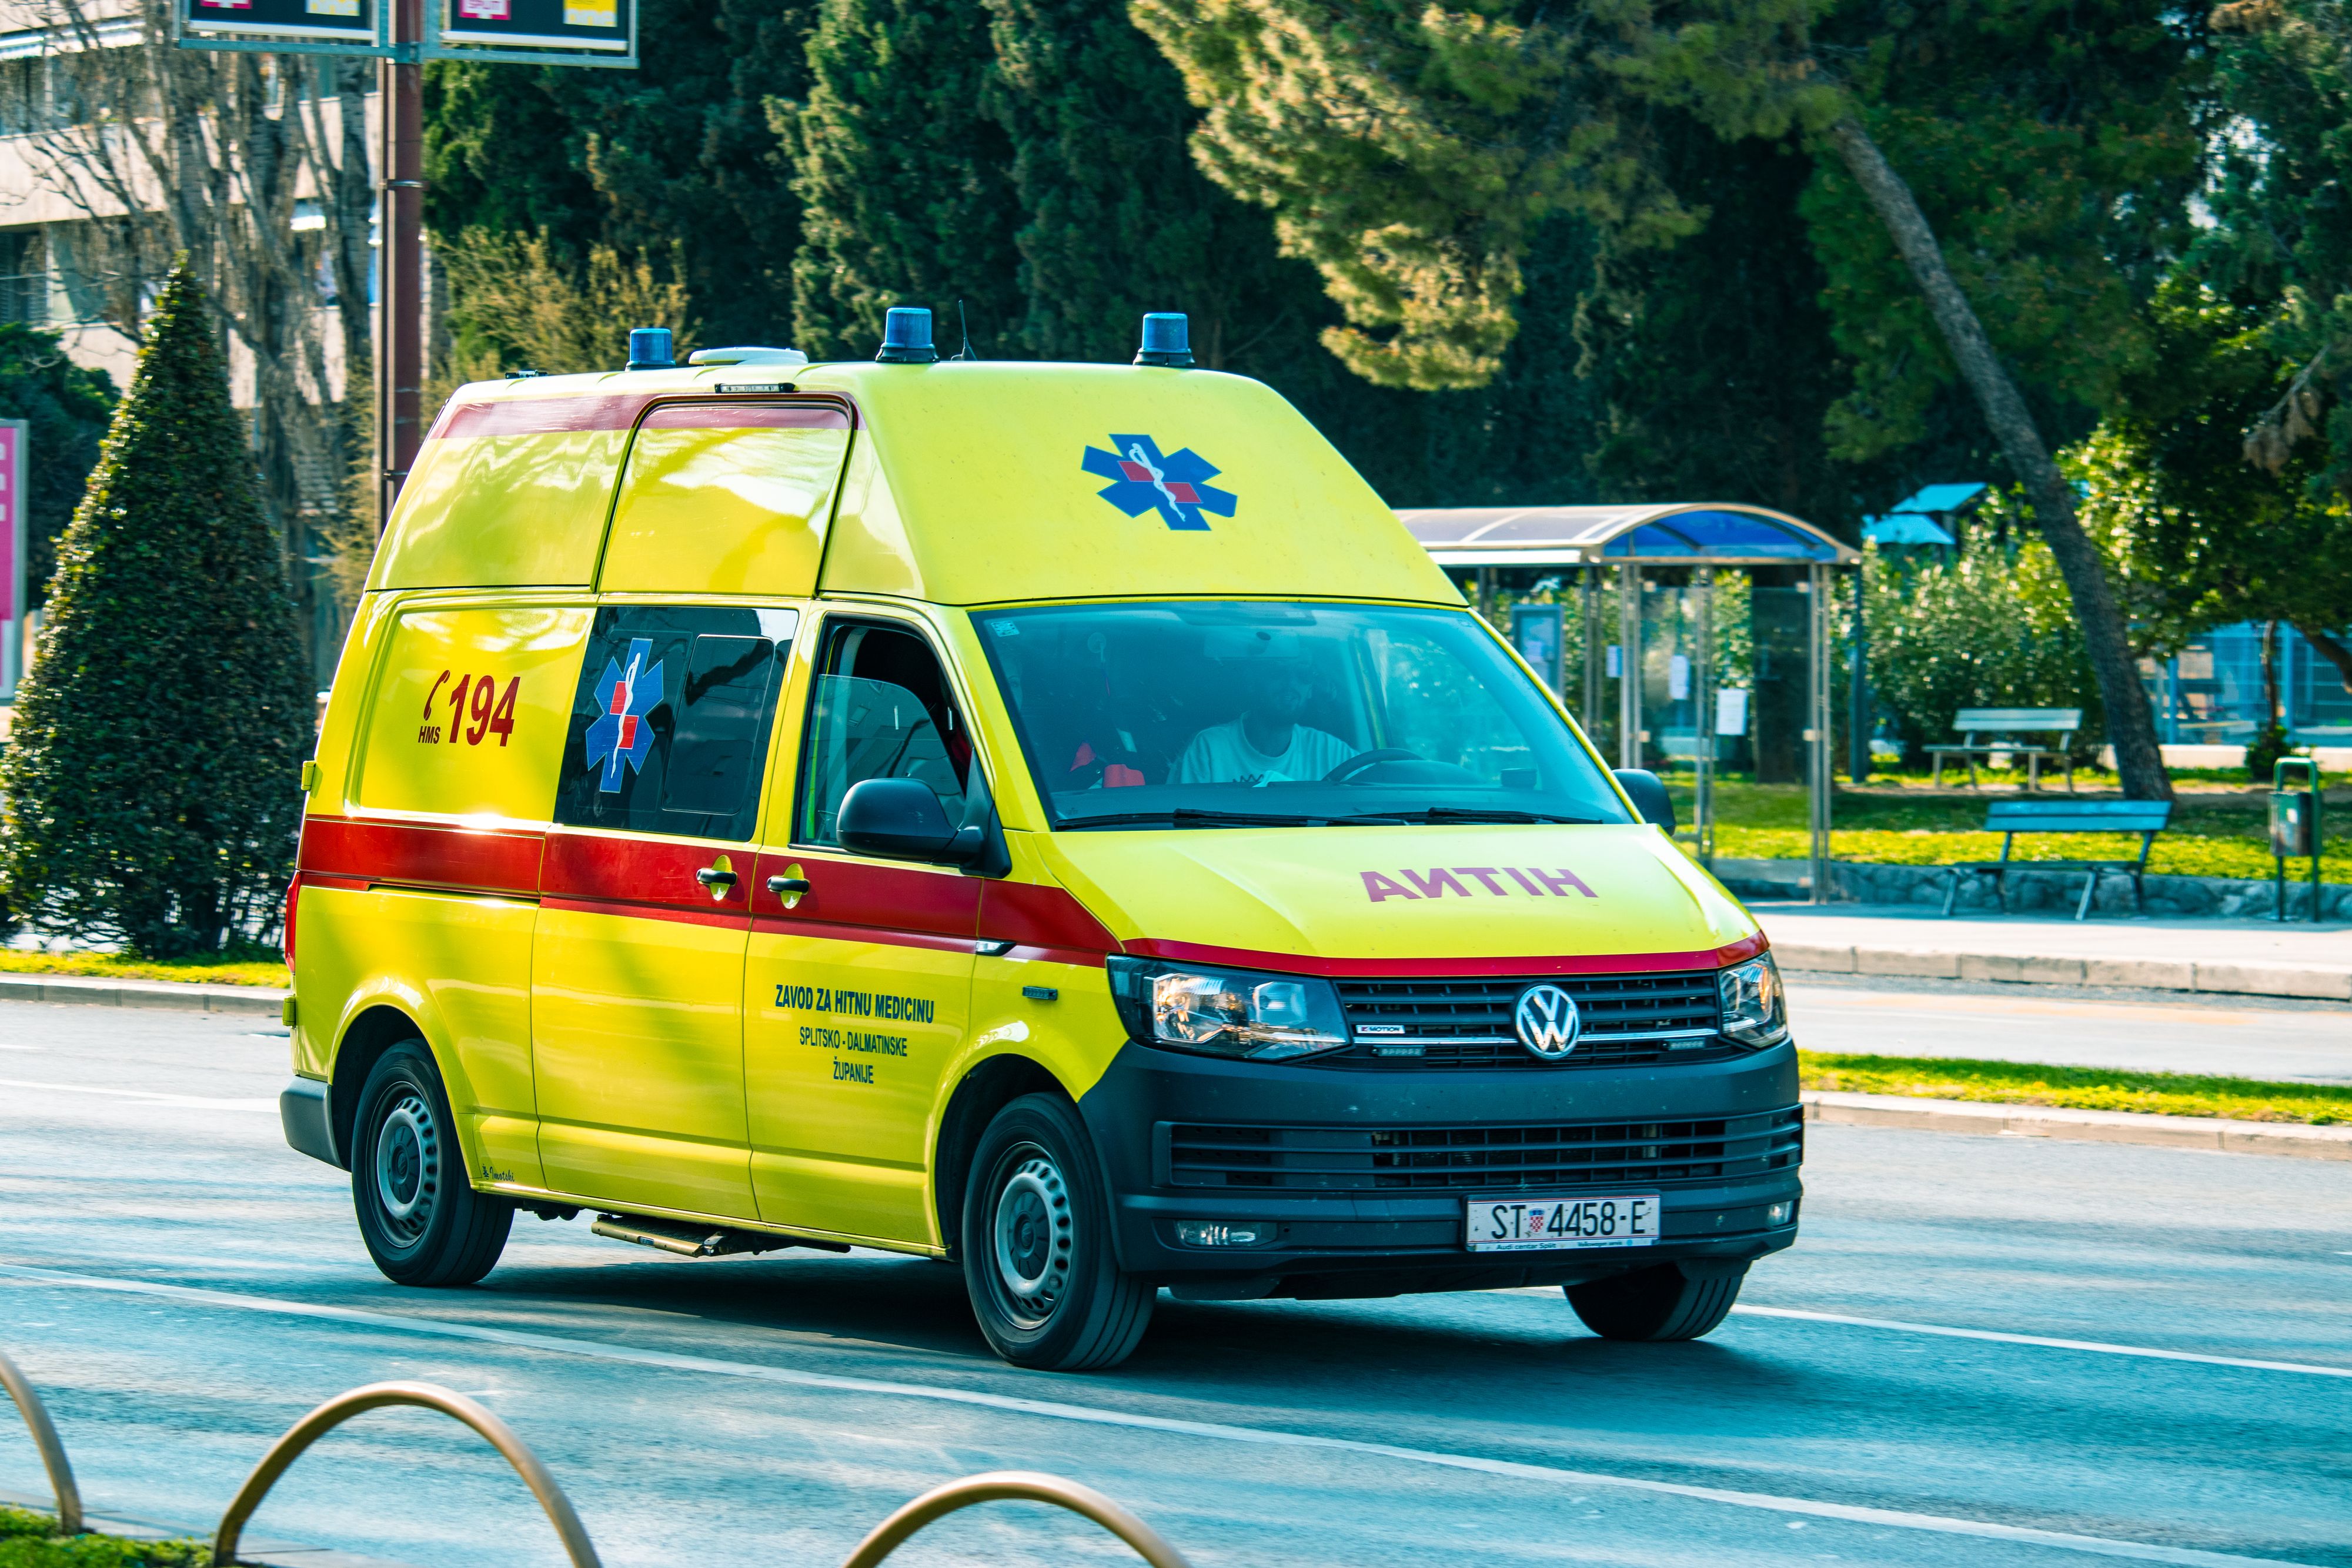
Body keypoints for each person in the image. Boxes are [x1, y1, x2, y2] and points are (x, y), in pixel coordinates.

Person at [1178, 632, 1355, 785]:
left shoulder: (1331, 752)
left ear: (1310, 689)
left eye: (1304, 674)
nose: (1291, 683)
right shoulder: (1209, 747)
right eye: (1277, 671)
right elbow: (1180, 812)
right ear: (1254, 682)